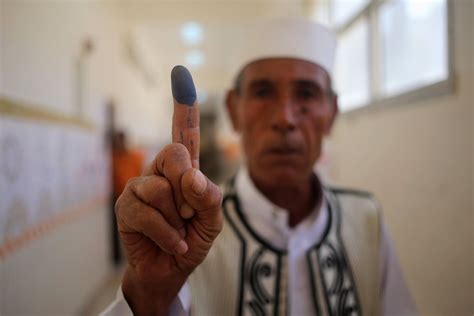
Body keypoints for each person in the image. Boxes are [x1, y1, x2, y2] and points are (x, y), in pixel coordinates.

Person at [101, 18, 416, 315]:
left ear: (331, 113)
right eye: (263, 92)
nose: (285, 119)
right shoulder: (189, 233)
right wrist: (149, 290)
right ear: (233, 110)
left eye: (306, 94)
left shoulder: (366, 218)